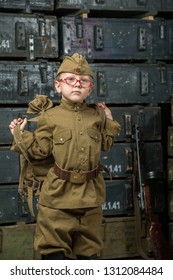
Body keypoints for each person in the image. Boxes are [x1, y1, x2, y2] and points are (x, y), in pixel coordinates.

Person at [9, 53, 121, 260]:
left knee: (89, 254)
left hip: (90, 196)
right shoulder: (50, 117)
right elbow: (40, 151)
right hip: (57, 197)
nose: (77, 84)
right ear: (58, 86)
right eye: (70, 79)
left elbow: (105, 144)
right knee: (54, 255)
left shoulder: (96, 115)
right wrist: (21, 134)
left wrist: (109, 121)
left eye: (84, 81)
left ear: (90, 89)